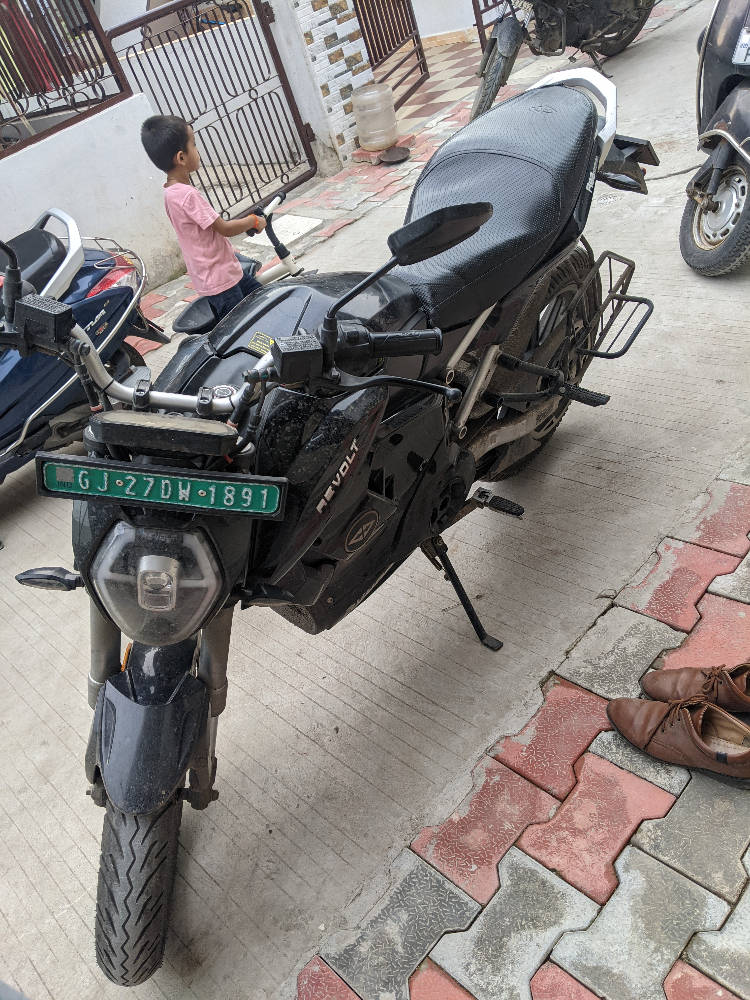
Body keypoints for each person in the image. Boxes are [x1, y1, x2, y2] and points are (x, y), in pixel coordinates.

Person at [141, 114, 266, 322]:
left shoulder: (170, 193)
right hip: (222, 280)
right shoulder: (188, 195)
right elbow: (224, 228)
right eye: (194, 145)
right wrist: (253, 221)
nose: (198, 151)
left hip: (220, 273)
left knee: (262, 299)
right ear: (181, 158)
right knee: (244, 325)